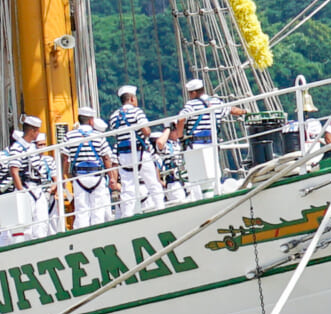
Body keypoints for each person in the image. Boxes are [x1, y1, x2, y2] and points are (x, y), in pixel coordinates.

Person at [167, 78, 244, 197]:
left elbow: (181, 119)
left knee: (199, 178)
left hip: (196, 145)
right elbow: (232, 110)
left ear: (193, 93)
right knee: (214, 174)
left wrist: (180, 136)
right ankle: (215, 194)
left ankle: (205, 197)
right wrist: (245, 111)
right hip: (212, 143)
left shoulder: (191, 104)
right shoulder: (216, 102)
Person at [109, 85, 163, 216]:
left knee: (128, 187)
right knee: (152, 182)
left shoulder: (114, 116)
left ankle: (127, 214)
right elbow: (147, 131)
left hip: (123, 155)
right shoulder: (137, 112)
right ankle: (160, 208)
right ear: (132, 99)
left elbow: (116, 135)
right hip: (140, 153)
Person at [64, 107, 119, 230]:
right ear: (91, 121)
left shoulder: (69, 136)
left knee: (81, 210)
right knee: (97, 210)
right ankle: (98, 233)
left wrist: (66, 178)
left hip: (79, 177)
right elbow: (106, 158)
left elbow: (65, 159)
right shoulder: (98, 136)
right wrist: (111, 177)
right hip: (97, 176)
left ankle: (81, 233)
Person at [7, 115, 50, 241]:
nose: (38, 134)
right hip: (26, 187)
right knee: (24, 227)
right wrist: (21, 191)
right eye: (37, 130)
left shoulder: (32, 147)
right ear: (32, 131)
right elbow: (14, 170)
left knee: (42, 223)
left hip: (37, 187)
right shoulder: (17, 147)